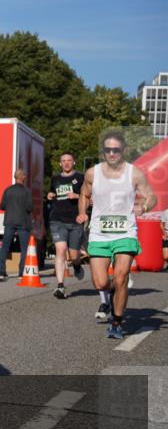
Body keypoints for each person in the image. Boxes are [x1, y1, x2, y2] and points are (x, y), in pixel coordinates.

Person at [77, 130, 156, 339]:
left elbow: (151, 196)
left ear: (123, 150)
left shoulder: (134, 173)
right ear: (103, 151)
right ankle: (112, 292)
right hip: (99, 234)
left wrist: (145, 207)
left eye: (116, 150)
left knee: (121, 277)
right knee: (101, 283)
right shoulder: (92, 173)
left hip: (125, 233)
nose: (112, 153)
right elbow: (84, 195)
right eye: (108, 150)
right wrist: (82, 213)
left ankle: (117, 322)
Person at [47, 153, 86, 299]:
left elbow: (90, 197)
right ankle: (60, 286)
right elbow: (52, 192)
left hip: (75, 220)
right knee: (60, 250)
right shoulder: (56, 179)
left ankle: (76, 265)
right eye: (63, 161)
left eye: (69, 160)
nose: (66, 163)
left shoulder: (81, 178)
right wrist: (50, 195)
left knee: (74, 255)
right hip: (57, 220)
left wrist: (76, 196)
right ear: (60, 164)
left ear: (74, 162)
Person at [0, 168, 33, 278]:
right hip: (23, 221)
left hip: (9, 221)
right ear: (22, 177)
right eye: (24, 175)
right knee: (24, 248)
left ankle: (2, 270)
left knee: (5, 246)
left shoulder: (8, 190)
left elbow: (2, 206)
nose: (25, 176)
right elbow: (29, 207)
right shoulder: (26, 191)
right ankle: (21, 272)